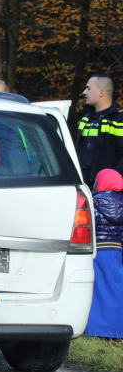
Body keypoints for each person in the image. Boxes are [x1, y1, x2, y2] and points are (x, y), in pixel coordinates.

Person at [85, 169, 123, 338]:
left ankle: (94, 328)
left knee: (95, 289)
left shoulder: (93, 203)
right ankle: (116, 329)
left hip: (97, 251)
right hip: (116, 252)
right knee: (114, 289)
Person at [76, 73, 123, 186]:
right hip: (83, 187)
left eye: (88, 88)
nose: (84, 92)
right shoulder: (86, 119)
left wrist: (110, 183)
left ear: (101, 92)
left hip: (109, 192)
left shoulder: (119, 119)